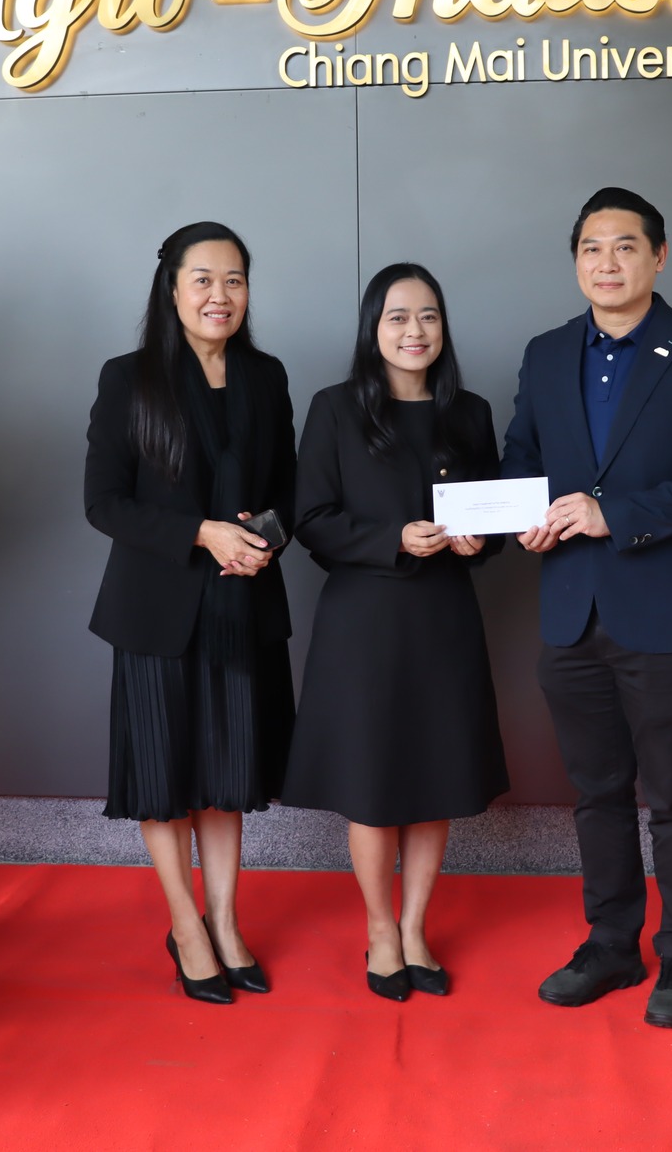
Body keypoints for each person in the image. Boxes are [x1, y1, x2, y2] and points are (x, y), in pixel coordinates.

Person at [501, 187, 672, 1030]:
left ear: (659, 256)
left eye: (625, 246)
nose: (606, 263)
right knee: (596, 790)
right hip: (570, 608)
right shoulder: (545, 354)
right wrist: (519, 516)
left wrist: (613, 513)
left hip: (663, 613)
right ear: (575, 260)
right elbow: (522, 457)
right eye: (591, 248)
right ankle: (611, 942)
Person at [284, 263, 511, 1003]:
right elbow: (312, 519)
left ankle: (416, 927)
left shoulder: (469, 412)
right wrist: (392, 539)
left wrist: (480, 541)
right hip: (365, 622)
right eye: (398, 317)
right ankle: (380, 929)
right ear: (372, 328)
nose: (415, 331)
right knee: (371, 780)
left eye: (429, 316)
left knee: (435, 774)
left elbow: (492, 516)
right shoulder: (336, 408)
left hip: (444, 616)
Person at [83, 221, 297, 1005]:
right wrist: (201, 534)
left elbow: (291, 490)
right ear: (171, 286)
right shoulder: (129, 378)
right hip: (156, 611)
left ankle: (226, 920)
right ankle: (186, 923)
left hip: (242, 604)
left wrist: (262, 539)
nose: (220, 294)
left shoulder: (265, 376)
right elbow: (103, 502)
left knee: (226, 775)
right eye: (203, 278)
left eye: (234, 279)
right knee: (165, 776)